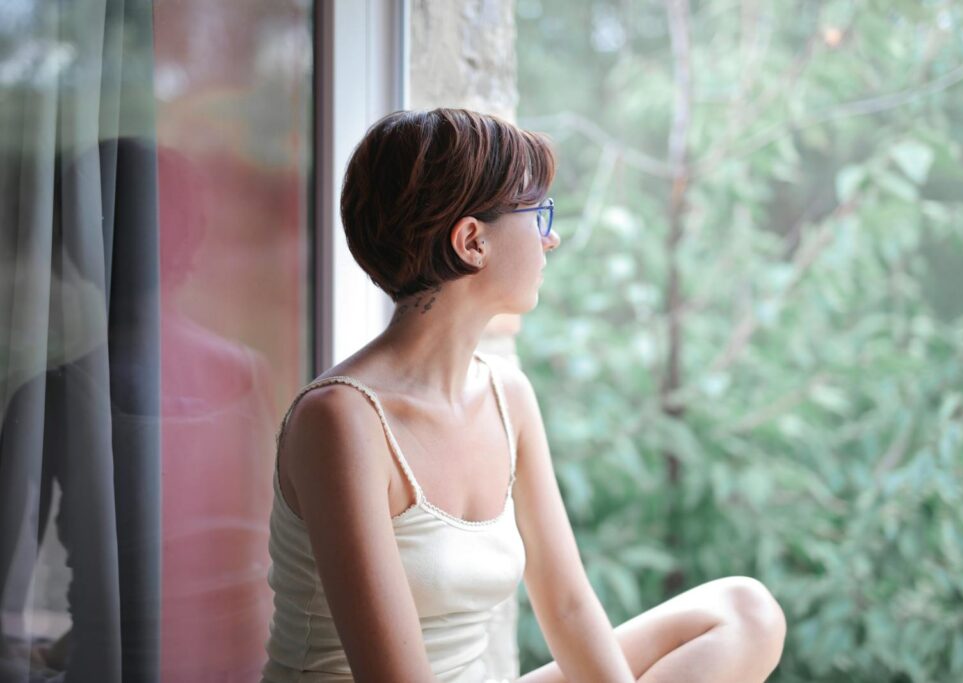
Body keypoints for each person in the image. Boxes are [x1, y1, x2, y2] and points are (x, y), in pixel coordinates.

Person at [260, 108, 787, 683]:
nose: (551, 238)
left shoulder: (507, 394)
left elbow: (566, 605)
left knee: (744, 613)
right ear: (472, 241)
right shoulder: (340, 421)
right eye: (539, 215)